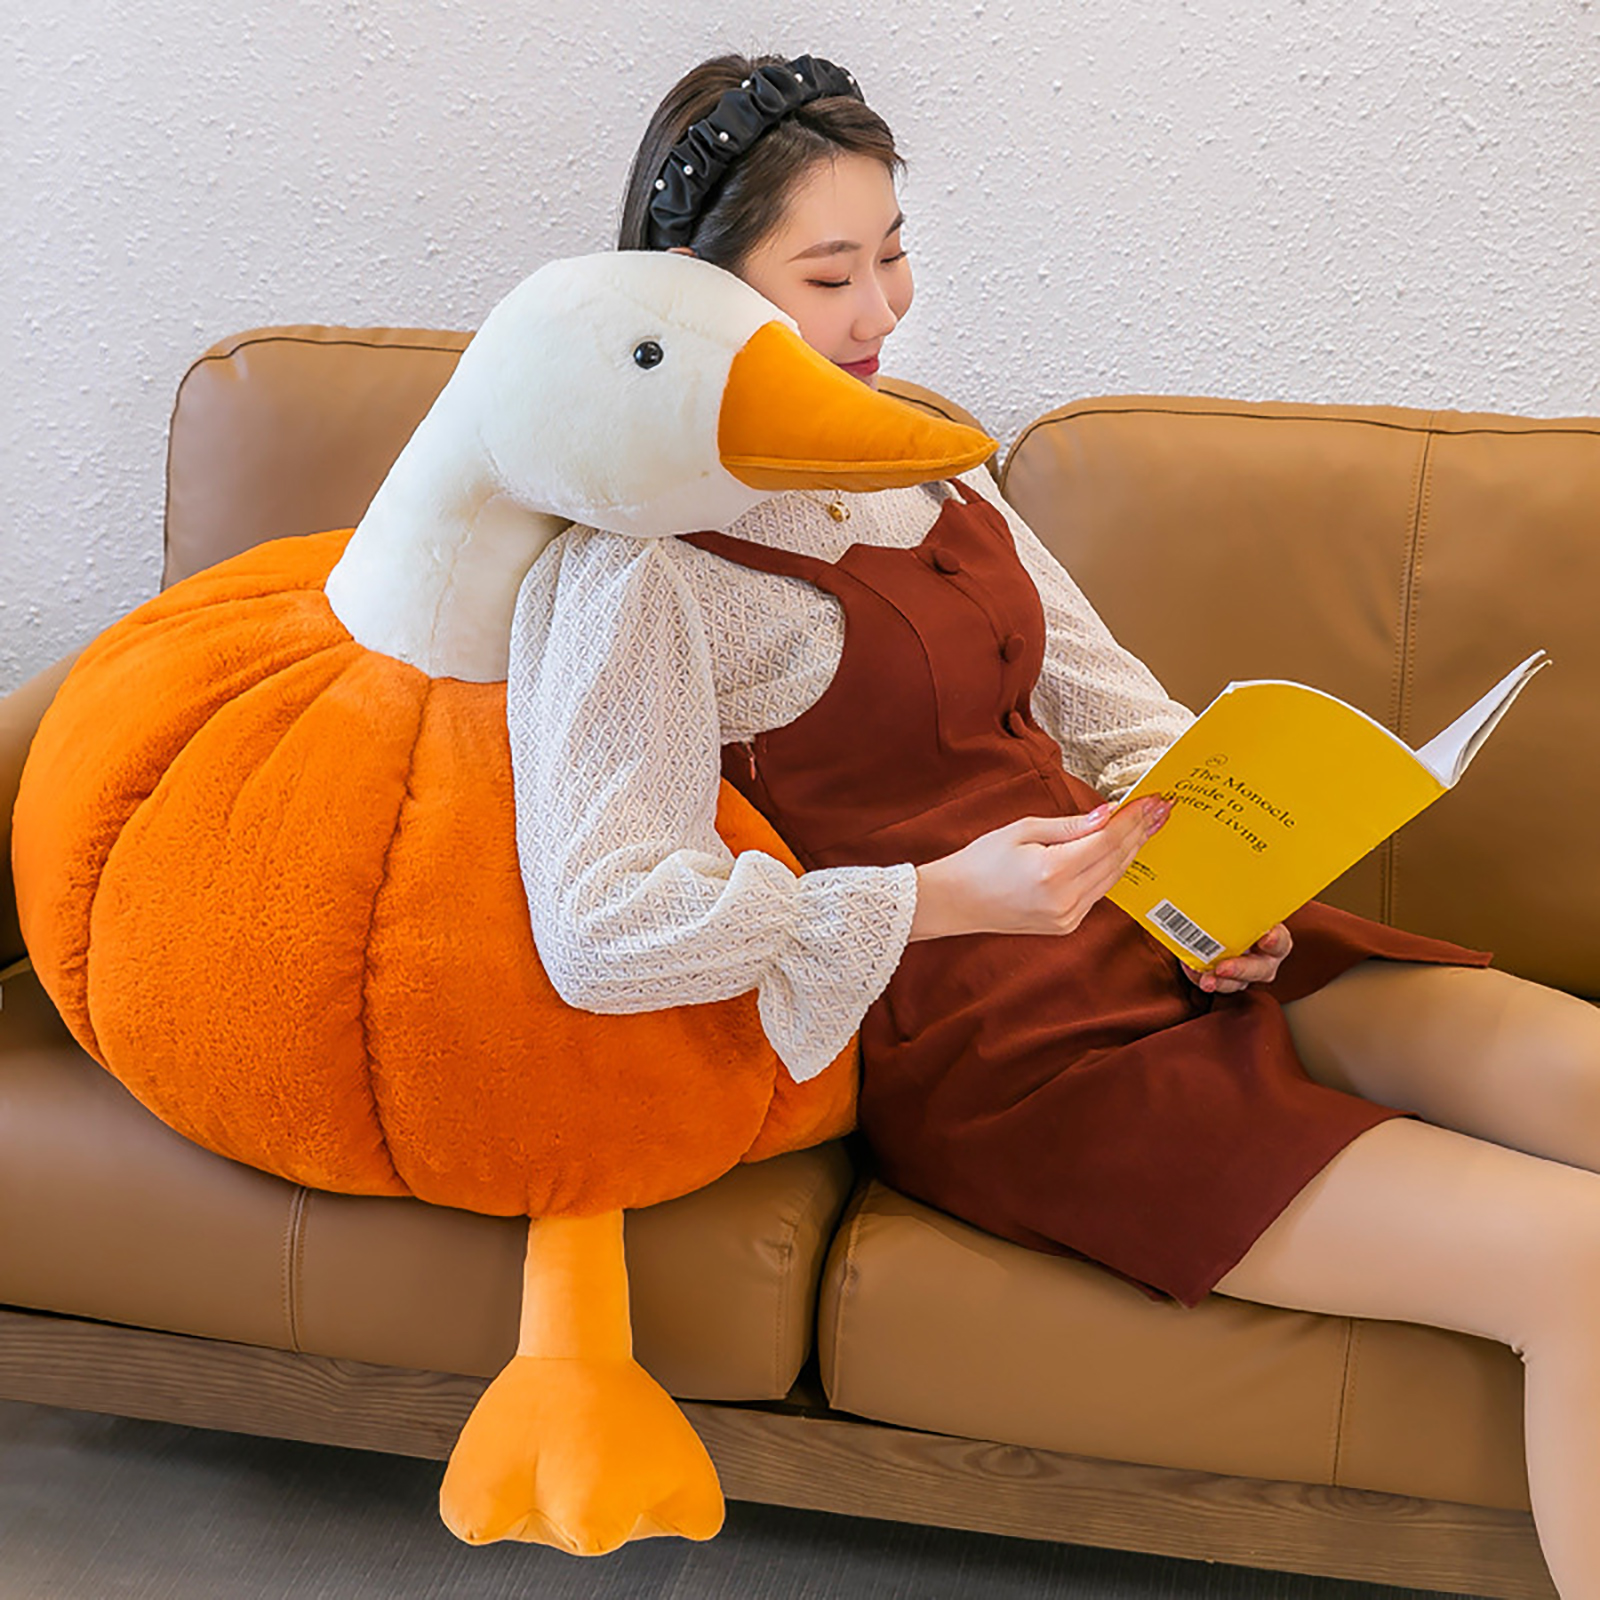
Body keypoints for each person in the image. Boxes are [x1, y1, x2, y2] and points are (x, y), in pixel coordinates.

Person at [508, 52, 1600, 1595]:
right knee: (1577, 1263)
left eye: (893, 254)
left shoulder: (929, 464)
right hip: (1001, 1044)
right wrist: (942, 899)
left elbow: (1126, 726)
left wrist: (1237, 873)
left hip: (1160, 930)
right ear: (694, 292)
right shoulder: (641, 567)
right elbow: (600, 926)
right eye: (830, 275)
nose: (882, 312)